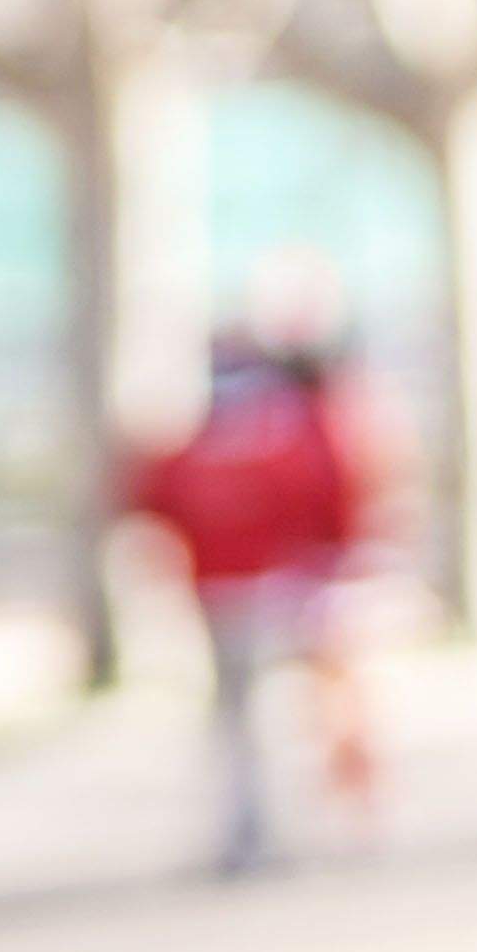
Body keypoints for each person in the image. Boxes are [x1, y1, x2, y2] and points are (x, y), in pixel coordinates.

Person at [127, 258, 391, 876]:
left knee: (263, 716)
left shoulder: (214, 425)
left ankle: (284, 825)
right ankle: (314, 821)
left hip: (248, 585)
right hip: (278, 581)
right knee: (301, 709)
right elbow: (332, 492)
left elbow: (155, 497)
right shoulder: (295, 419)